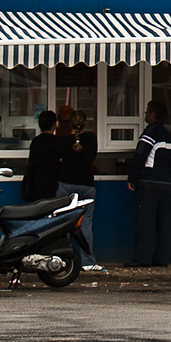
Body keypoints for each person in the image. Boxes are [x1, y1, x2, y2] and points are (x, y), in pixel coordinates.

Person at [128, 99, 171, 266]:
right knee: (163, 223)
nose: (145, 114)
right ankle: (162, 259)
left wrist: (132, 177)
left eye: (148, 111)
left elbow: (140, 156)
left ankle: (143, 258)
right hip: (166, 185)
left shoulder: (150, 133)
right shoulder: (170, 136)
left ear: (154, 114)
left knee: (145, 222)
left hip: (149, 183)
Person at [56, 107, 103, 272]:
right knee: (86, 224)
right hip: (86, 186)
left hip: (65, 185)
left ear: (69, 123)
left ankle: (62, 258)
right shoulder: (91, 138)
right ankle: (88, 261)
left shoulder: (61, 140)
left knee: (62, 223)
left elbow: (59, 160)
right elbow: (92, 158)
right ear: (85, 123)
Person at [20, 109, 59, 202]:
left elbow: (31, 160)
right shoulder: (57, 141)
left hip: (36, 184)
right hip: (53, 184)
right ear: (54, 124)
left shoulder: (36, 141)